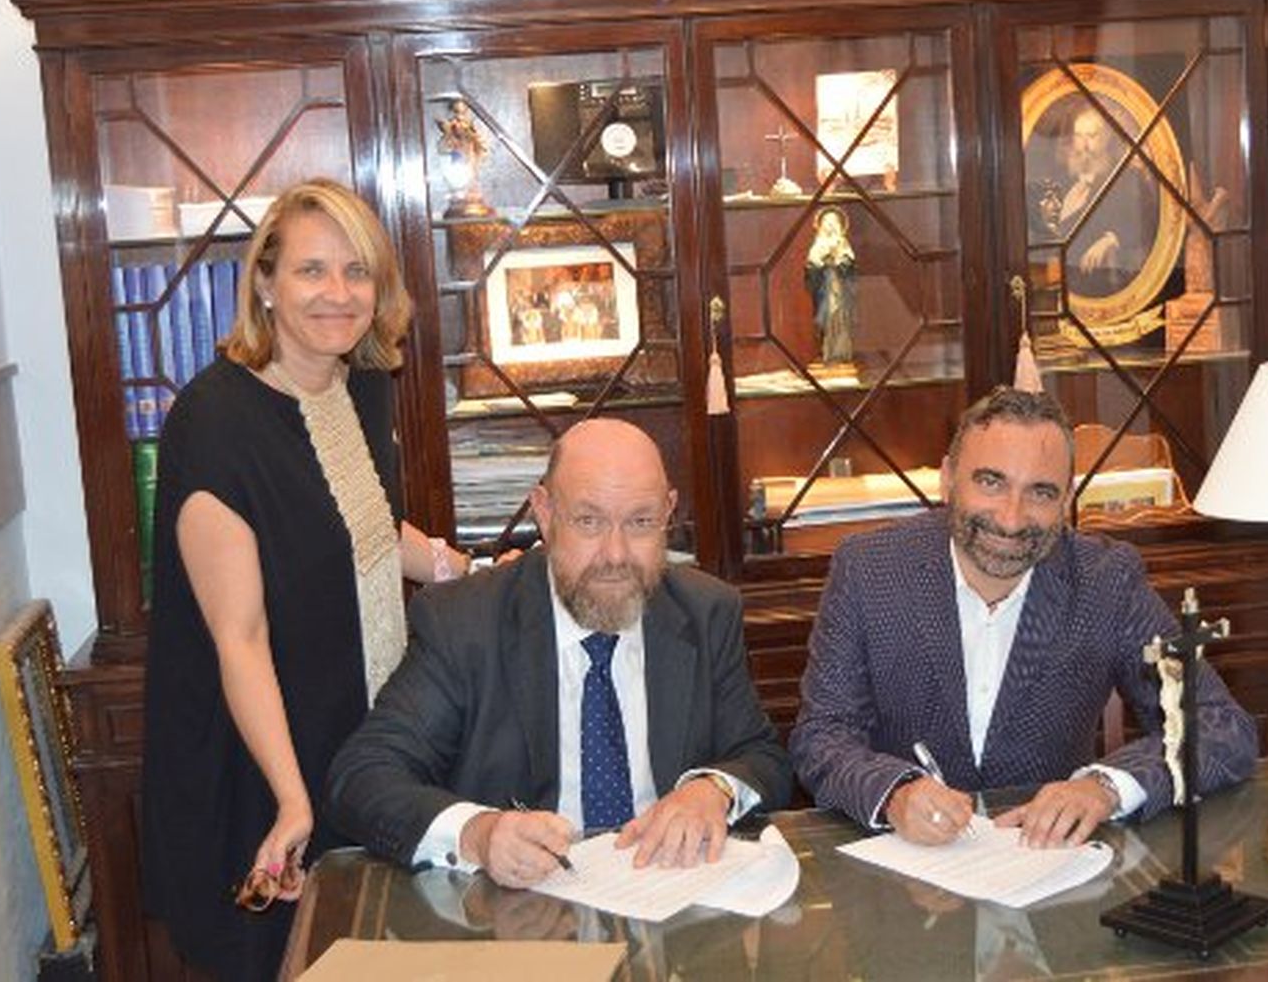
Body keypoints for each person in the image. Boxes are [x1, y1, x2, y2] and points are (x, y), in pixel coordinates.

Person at [140, 178, 469, 981]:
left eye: (357, 272)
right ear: (264, 282)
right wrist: (294, 799)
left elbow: (363, 522)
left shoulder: (361, 384)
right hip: (257, 757)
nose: (338, 293)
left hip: (353, 730)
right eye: (311, 270)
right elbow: (240, 637)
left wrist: (466, 573)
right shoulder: (214, 422)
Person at [327, 418, 793, 886]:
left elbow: (762, 755)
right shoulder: (465, 623)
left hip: (667, 893)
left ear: (668, 512)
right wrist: (478, 834)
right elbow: (363, 775)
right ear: (545, 513)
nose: (615, 555)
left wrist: (712, 789)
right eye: (589, 521)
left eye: (640, 522)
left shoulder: (705, 612)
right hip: (518, 909)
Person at [789, 386, 1257, 849]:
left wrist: (1104, 787)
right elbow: (822, 734)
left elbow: (1221, 726)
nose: (1011, 519)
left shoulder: (1105, 579)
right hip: (907, 865)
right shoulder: (870, 569)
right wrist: (894, 794)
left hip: (1047, 862)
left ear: (1067, 500)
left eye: (1040, 492)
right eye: (990, 482)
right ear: (948, 479)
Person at [1050, 107, 1157, 297]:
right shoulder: (1062, 182)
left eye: (1091, 136)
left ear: (1106, 139)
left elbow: (1148, 221)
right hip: (1063, 290)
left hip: (1104, 290)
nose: (1083, 146)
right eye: (1078, 136)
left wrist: (1112, 240)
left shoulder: (1125, 179)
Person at [805, 206, 858, 365]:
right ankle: (828, 353)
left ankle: (841, 353)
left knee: (841, 318)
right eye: (827, 222)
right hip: (824, 289)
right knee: (827, 319)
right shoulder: (818, 244)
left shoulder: (843, 243)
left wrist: (838, 259)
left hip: (840, 288)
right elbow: (811, 267)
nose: (830, 225)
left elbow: (849, 265)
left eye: (833, 222)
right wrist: (822, 260)